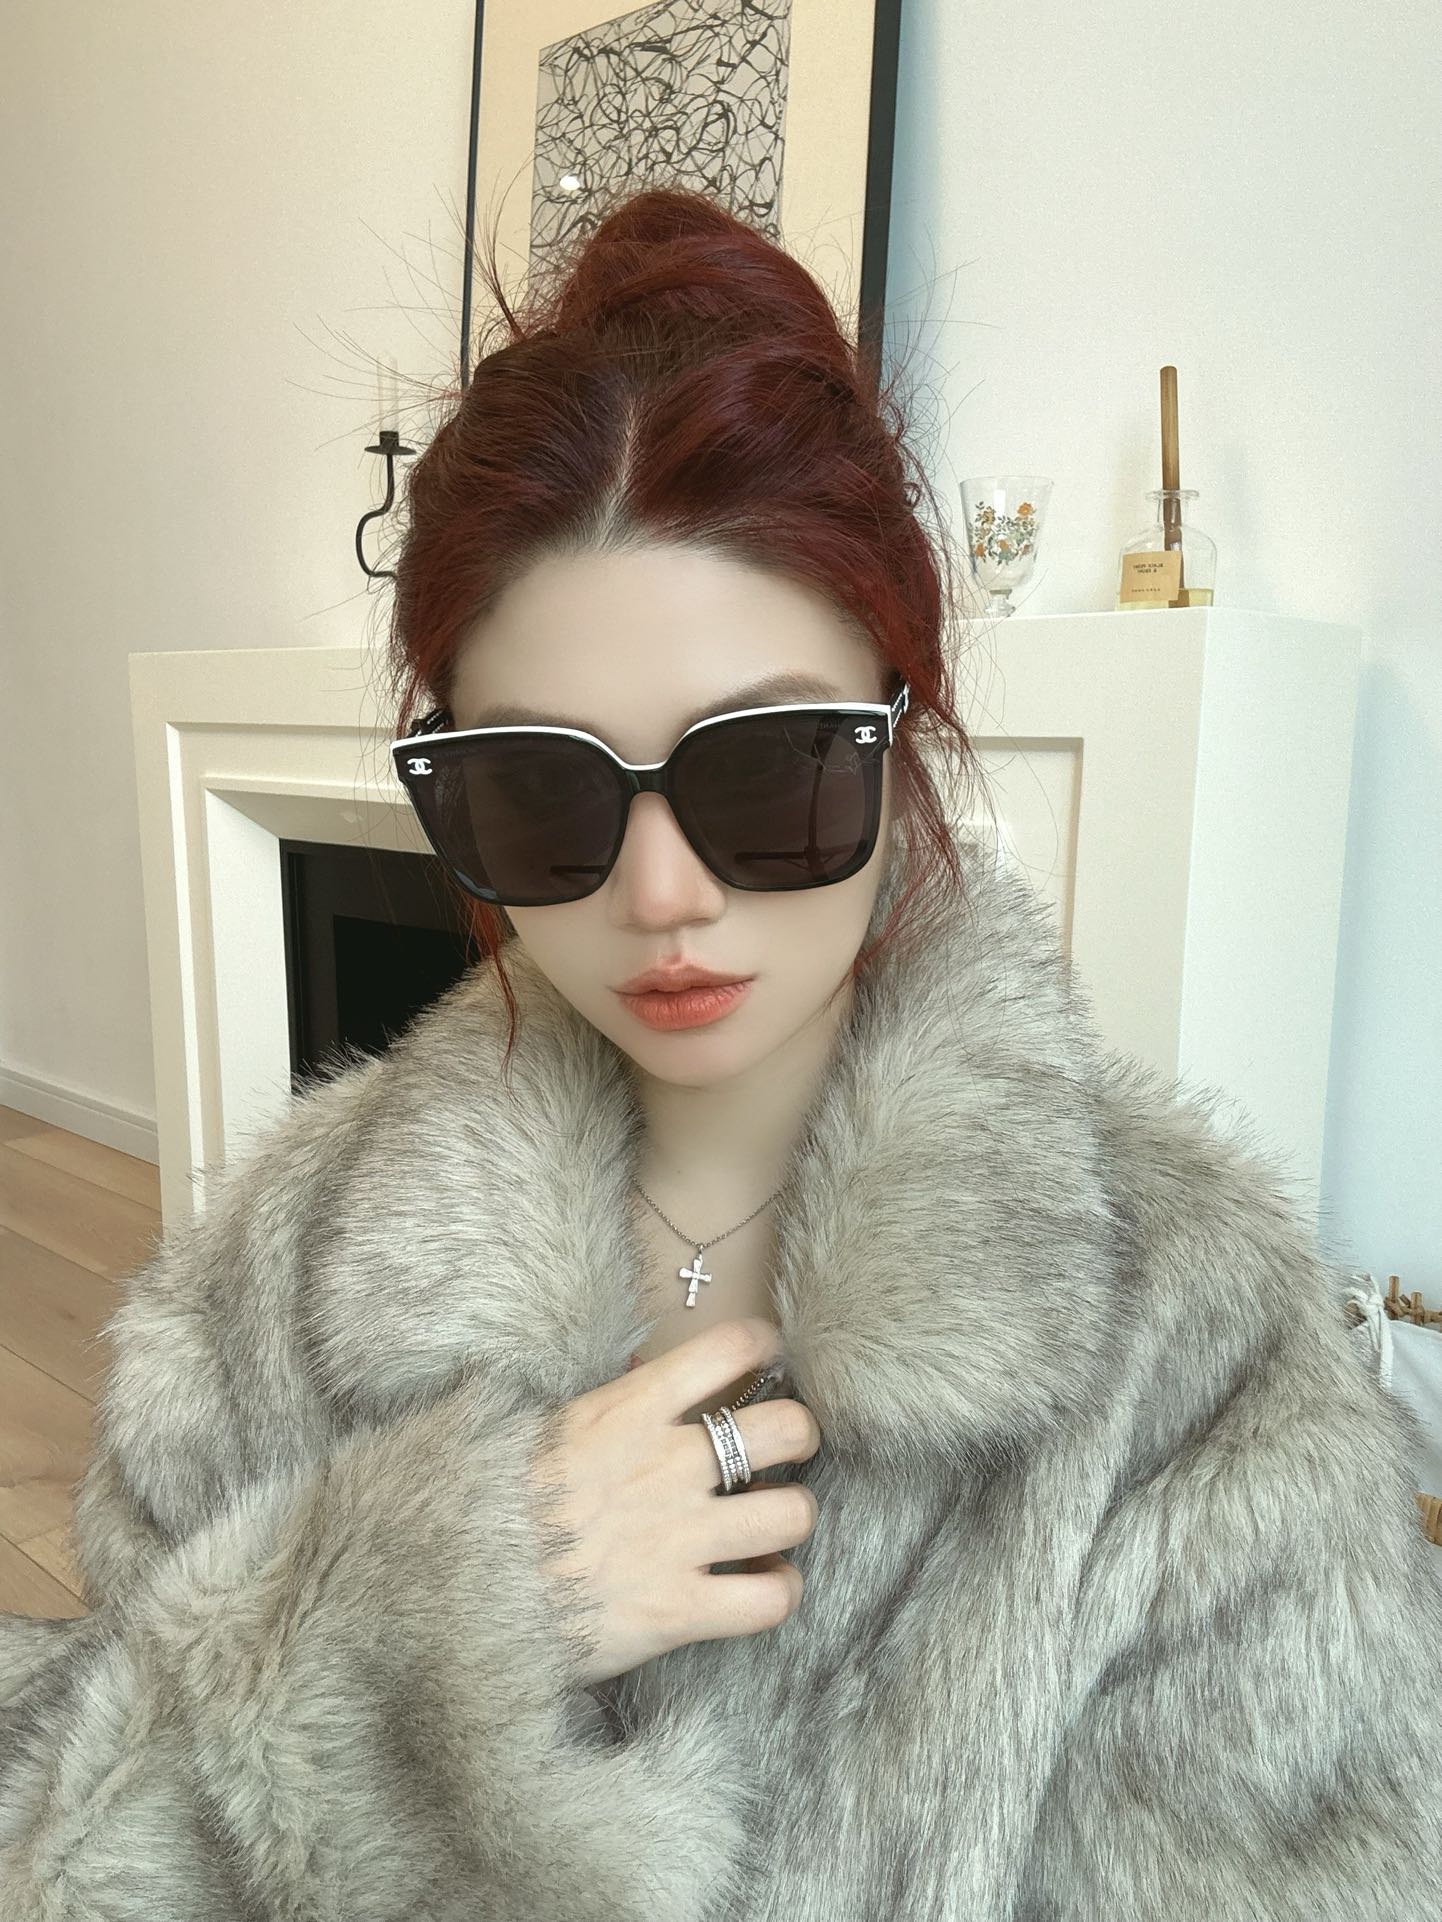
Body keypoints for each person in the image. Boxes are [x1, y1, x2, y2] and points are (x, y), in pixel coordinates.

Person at [2, 185, 1439, 1919]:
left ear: (900, 731)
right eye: (540, 792)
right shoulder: (277, 1267)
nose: (660, 891)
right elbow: (68, 1848)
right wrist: (434, 1619)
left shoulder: (1189, 1343)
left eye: (769, 770)